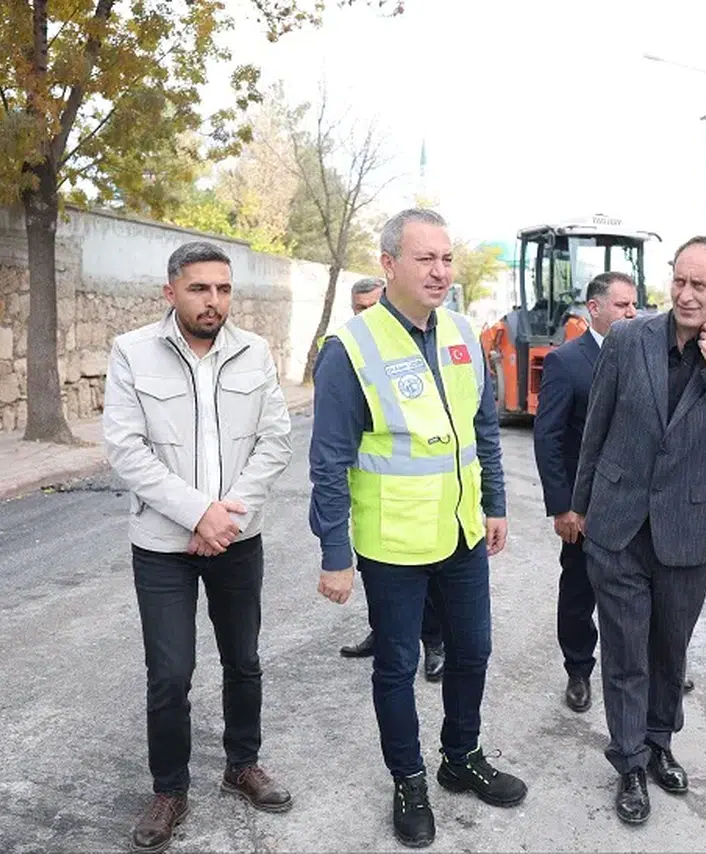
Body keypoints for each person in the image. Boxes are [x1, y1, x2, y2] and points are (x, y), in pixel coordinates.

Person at [308, 208, 526, 848]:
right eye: (425, 258)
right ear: (389, 264)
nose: (440, 271)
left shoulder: (463, 333)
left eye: (447, 258)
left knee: (473, 652)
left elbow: (482, 430)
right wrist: (333, 552)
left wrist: (495, 503)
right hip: (393, 542)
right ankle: (408, 780)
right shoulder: (350, 349)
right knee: (398, 665)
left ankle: (460, 757)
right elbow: (329, 462)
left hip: (461, 533)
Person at [102, 241, 295, 853]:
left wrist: (227, 516)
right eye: (199, 289)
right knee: (170, 673)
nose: (213, 301)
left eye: (223, 289)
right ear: (170, 291)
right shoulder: (133, 352)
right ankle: (170, 790)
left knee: (244, 660)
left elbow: (275, 441)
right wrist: (197, 513)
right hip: (163, 543)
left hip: (237, 537)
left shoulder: (254, 352)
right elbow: (127, 450)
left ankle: (242, 764)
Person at [569, 236, 706, 825]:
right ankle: (629, 762)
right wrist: (580, 509)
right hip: (619, 524)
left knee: (668, 650)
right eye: (678, 280)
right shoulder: (629, 340)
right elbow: (596, 426)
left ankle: (659, 744)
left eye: (698, 285)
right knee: (626, 649)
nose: (683, 294)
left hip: (687, 529)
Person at [533, 271, 637, 713]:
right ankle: (579, 671)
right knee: (579, 592)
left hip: (636, 503)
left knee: (640, 591)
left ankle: (646, 667)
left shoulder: (645, 355)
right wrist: (563, 506)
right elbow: (548, 438)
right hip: (586, 507)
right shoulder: (566, 362)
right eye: (622, 305)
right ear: (594, 308)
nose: (632, 313)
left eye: (635, 305)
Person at [337, 277, 446, 683]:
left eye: (372, 306)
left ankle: (433, 643)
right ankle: (382, 631)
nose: (367, 316)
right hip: (373, 496)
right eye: (359, 309)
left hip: (422, 501)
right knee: (374, 573)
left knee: (426, 581)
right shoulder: (350, 350)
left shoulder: (413, 350)